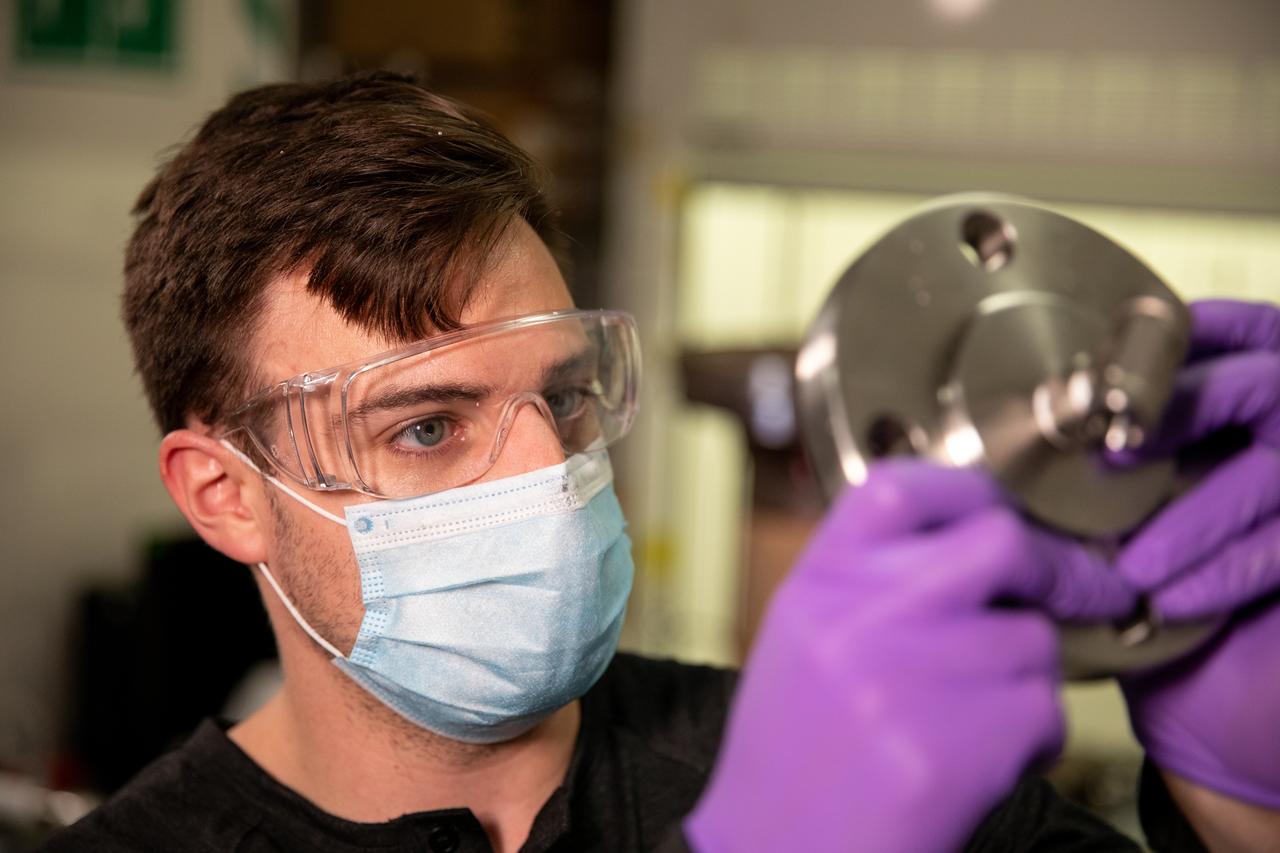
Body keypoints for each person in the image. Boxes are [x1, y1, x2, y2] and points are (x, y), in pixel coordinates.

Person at [42, 72, 1279, 852]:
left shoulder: (845, 761)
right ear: (226, 496)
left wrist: (1242, 808)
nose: (546, 470)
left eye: (565, 397)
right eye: (426, 425)